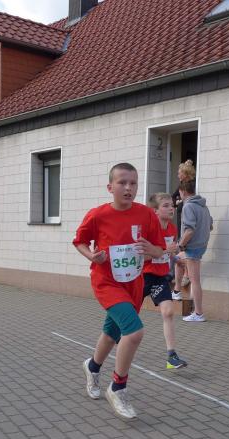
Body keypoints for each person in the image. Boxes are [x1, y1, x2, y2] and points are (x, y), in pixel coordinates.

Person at [74, 162, 165, 420]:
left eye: (133, 183)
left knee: (111, 333)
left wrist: (151, 250)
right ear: (110, 187)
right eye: (122, 183)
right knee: (134, 332)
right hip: (106, 282)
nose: (128, 188)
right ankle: (118, 387)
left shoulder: (146, 215)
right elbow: (79, 241)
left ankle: (92, 367)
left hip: (133, 283)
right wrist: (92, 255)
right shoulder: (98, 215)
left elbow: (159, 250)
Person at [144, 193, 188, 369]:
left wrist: (176, 259)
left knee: (168, 312)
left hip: (160, 277)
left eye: (172, 205)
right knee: (129, 315)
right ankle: (114, 338)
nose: (172, 208)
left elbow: (169, 252)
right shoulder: (147, 230)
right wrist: (164, 251)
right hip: (142, 276)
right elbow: (141, 256)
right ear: (155, 211)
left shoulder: (172, 229)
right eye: (166, 206)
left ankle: (171, 356)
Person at [172, 180, 213, 322]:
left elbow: (189, 230)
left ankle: (198, 313)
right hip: (200, 246)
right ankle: (177, 291)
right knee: (177, 259)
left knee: (195, 281)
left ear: (183, 191)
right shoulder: (203, 206)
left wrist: (181, 245)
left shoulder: (188, 206)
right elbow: (210, 226)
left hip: (193, 248)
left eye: (179, 193)